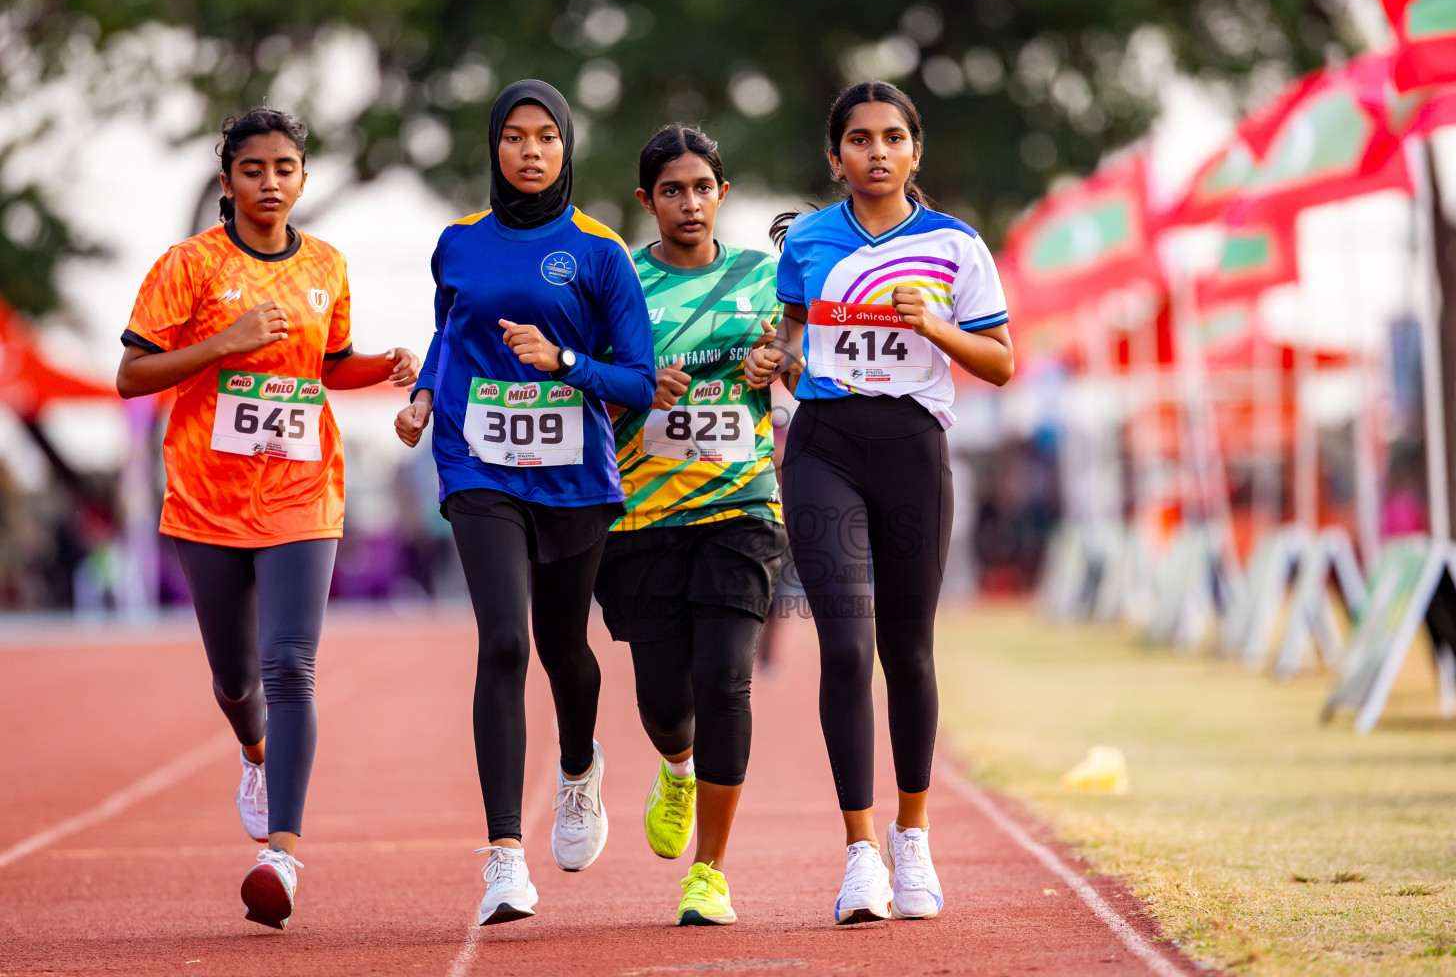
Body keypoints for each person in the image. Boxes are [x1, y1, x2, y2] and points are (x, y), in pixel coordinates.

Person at [115, 107, 420, 930]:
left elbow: (325, 367)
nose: (270, 183)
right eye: (253, 170)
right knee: (235, 680)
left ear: (303, 180)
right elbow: (132, 376)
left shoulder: (326, 263)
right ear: (227, 182)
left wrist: (385, 367)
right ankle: (254, 752)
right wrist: (226, 341)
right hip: (207, 500)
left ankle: (281, 853)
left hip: (302, 493)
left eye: (285, 169)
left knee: (290, 667)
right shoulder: (190, 266)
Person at [745, 81, 1014, 924]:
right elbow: (788, 344)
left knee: (909, 650)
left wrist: (936, 328)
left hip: (912, 453)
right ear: (836, 157)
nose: (877, 151)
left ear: (914, 152)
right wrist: (770, 364)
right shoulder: (809, 242)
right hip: (824, 448)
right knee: (846, 649)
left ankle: (913, 836)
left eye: (893, 137)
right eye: (859, 139)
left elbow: (1002, 361)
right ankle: (860, 853)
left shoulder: (955, 245)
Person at [393, 80, 655, 926]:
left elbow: (640, 383)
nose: (531, 151)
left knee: (562, 647)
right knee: (504, 642)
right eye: (515, 136)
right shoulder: (458, 244)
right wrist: (426, 398)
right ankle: (505, 858)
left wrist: (564, 362)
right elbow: (448, 336)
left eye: (546, 136)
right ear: (494, 148)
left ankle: (579, 768)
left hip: (574, 470)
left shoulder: (601, 252)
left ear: (566, 148)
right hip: (479, 464)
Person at [592, 124, 787, 926]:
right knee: (667, 702)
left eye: (702, 187)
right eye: (672, 190)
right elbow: (586, 394)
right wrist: (638, 389)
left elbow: (802, 365)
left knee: (726, 679)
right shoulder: (620, 285)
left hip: (741, 506)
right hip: (642, 519)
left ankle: (710, 871)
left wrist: (778, 364)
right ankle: (676, 766)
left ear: (722, 194)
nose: (689, 202)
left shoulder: (761, 278)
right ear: (648, 201)